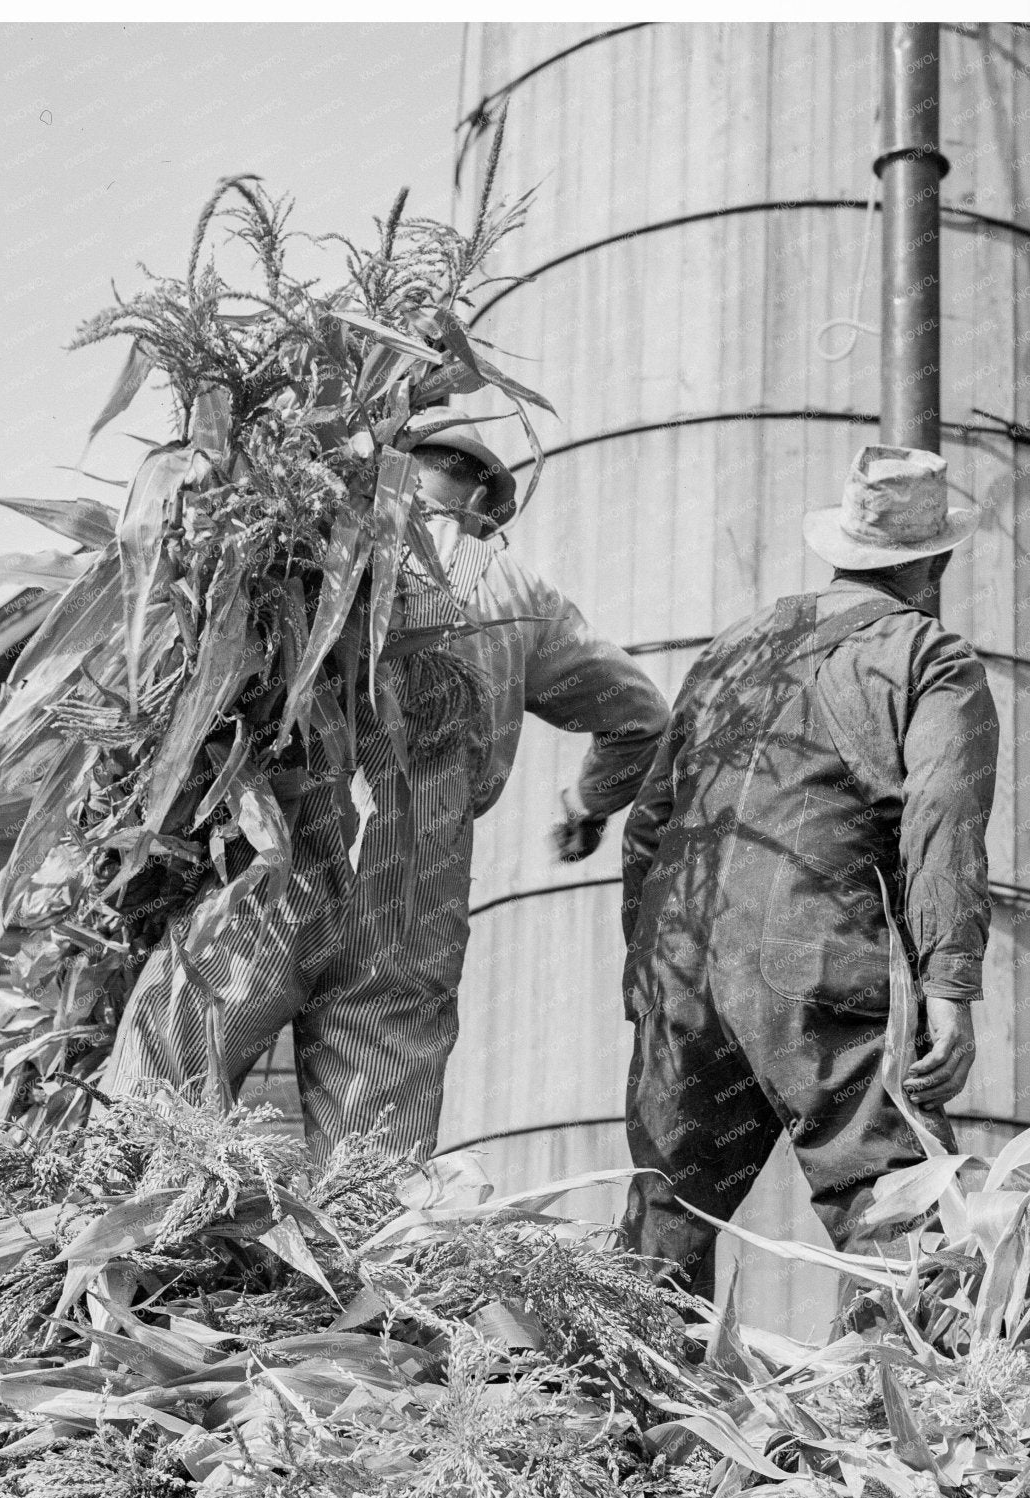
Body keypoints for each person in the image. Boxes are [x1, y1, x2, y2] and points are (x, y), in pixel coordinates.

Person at [103, 408, 670, 1159]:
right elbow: (644, 718)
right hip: (422, 874)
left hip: (290, 843)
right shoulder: (524, 593)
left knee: (166, 1071)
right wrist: (588, 803)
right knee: (374, 1148)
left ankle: (123, 1243)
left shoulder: (304, 534)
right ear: (483, 506)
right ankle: (365, 1265)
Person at [618, 444, 999, 1297]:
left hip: (681, 967)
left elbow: (649, 821)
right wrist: (951, 991)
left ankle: (622, 1416)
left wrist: (647, 978)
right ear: (934, 560)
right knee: (899, 1208)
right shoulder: (929, 655)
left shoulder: (734, 649)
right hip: (819, 955)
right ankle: (902, 1410)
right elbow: (942, 823)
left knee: (665, 1221)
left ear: (840, 547)